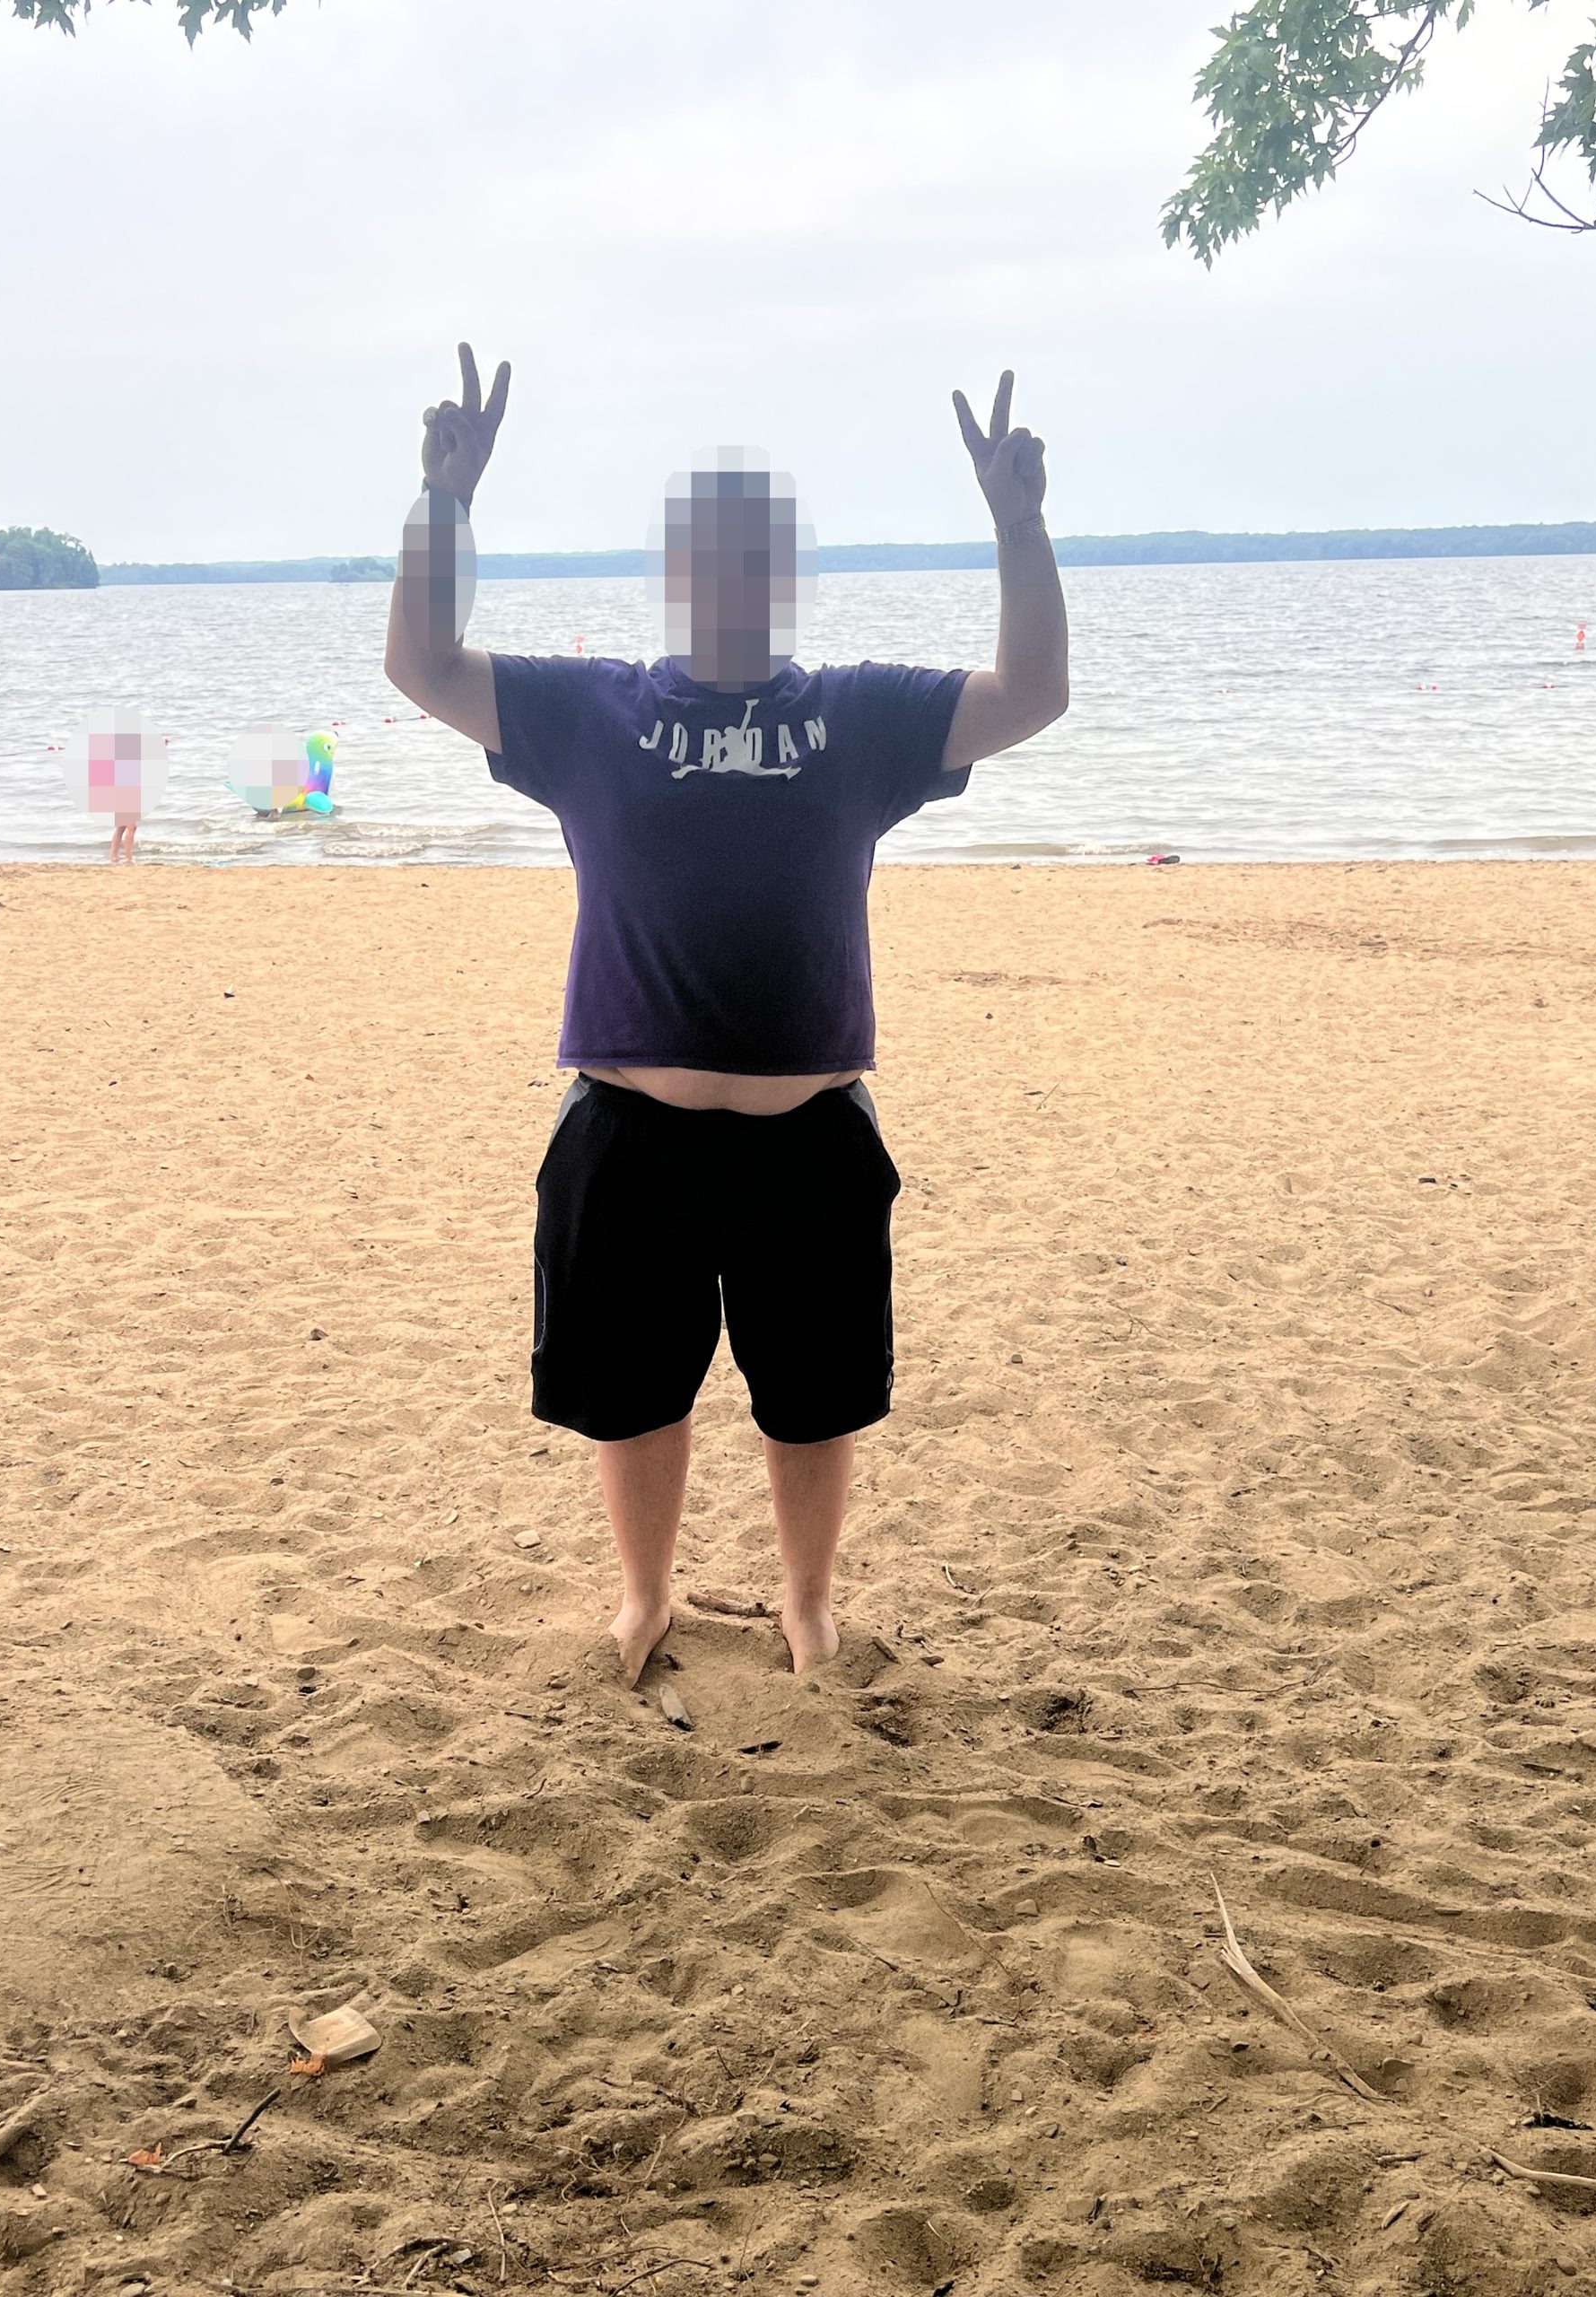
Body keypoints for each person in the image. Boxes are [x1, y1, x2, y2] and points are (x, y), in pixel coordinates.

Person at [385, 345, 1068, 1685]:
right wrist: (443, 502)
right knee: (634, 1394)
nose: (732, 579)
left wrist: (1019, 525)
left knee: (812, 1402)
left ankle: (807, 1605)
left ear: (786, 576)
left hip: (807, 1134)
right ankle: (646, 1596)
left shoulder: (857, 716)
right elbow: (422, 663)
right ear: (677, 575)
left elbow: (1030, 696)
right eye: (709, 557)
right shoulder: (592, 709)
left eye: (756, 558)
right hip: (628, 1131)